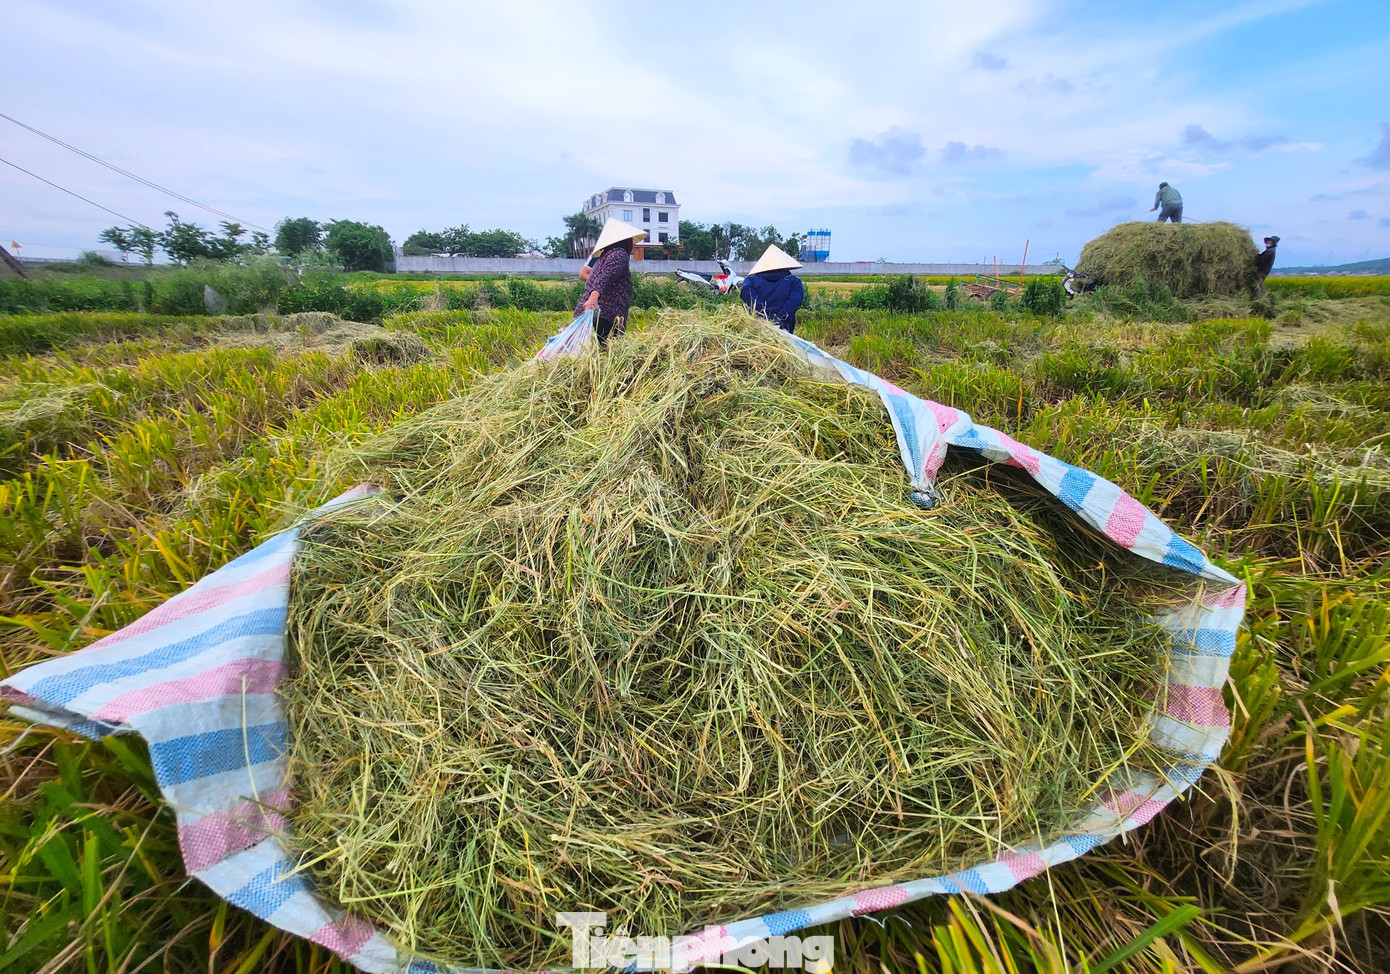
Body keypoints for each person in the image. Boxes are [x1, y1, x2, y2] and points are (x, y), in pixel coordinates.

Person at [577, 219, 645, 345]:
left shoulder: (605, 256)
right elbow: (605, 278)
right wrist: (594, 297)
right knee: (606, 351)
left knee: (593, 351)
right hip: (607, 314)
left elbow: (600, 278)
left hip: (597, 312)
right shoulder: (619, 254)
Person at [739, 244, 806, 333]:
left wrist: (763, 314)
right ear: (784, 264)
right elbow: (795, 300)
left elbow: (745, 290)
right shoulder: (793, 281)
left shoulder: (751, 280)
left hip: (757, 327)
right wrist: (780, 318)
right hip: (783, 329)